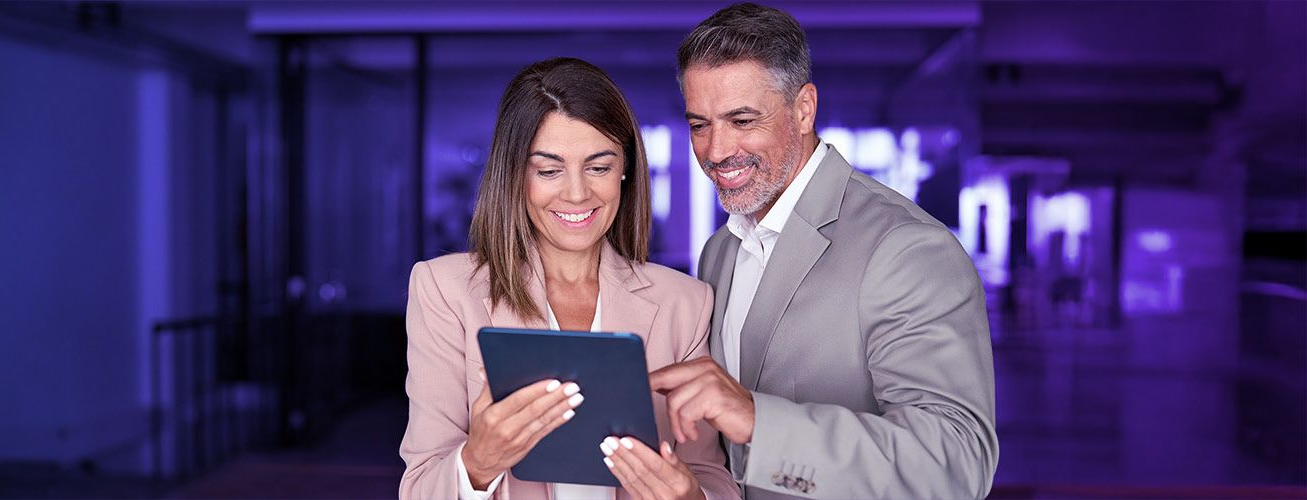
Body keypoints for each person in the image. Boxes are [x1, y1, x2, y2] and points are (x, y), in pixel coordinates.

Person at [647, 4, 999, 498]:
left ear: (804, 109)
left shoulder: (905, 248)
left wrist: (758, 421)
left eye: (742, 120)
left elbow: (957, 463)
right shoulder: (720, 252)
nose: (716, 150)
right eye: (699, 125)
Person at [401, 57, 739, 500]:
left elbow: (713, 479)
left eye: (598, 167)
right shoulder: (444, 290)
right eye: (548, 170)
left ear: (625, 170)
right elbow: (420, 487)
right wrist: (476, 464)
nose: (577, 194)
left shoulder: (686, 303)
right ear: (515, 175)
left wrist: (689, 495)